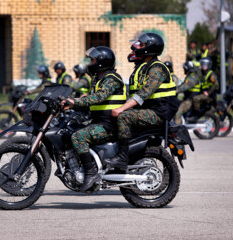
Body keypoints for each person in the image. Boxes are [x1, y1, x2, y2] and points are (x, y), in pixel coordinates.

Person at [107, 32, 178, 170]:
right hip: (153, 109)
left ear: (150, 48)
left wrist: (122, 109)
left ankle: (122, 157)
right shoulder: (147, 67)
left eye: (142, 44)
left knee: (124, 117)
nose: (138, 46)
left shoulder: (157, 68)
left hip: (160, 112)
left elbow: (144, 93)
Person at [61, 46, 127, 192]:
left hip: (109, 125)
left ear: (102, 62)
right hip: (100, 121)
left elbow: (99, 97)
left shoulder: (111, 79)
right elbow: (89, 99)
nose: (90, 63)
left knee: (79, 137)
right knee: (71, 129)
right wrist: (69, 104)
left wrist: (75, 102)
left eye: (92, 60)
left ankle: (91, 174)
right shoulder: (99, 78)